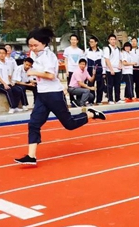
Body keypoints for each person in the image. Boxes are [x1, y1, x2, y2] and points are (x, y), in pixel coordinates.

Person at [14, 28, 106, 166]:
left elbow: (51, 75)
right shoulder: (34, 54)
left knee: (69, 124)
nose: (32, 48)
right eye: (30, 45)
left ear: (44, 43)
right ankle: (31, 156)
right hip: (41, 95)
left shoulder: (49, 56)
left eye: (35, 45)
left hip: (54, 94)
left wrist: (34, 72)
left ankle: (91, 114)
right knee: (33, 124)